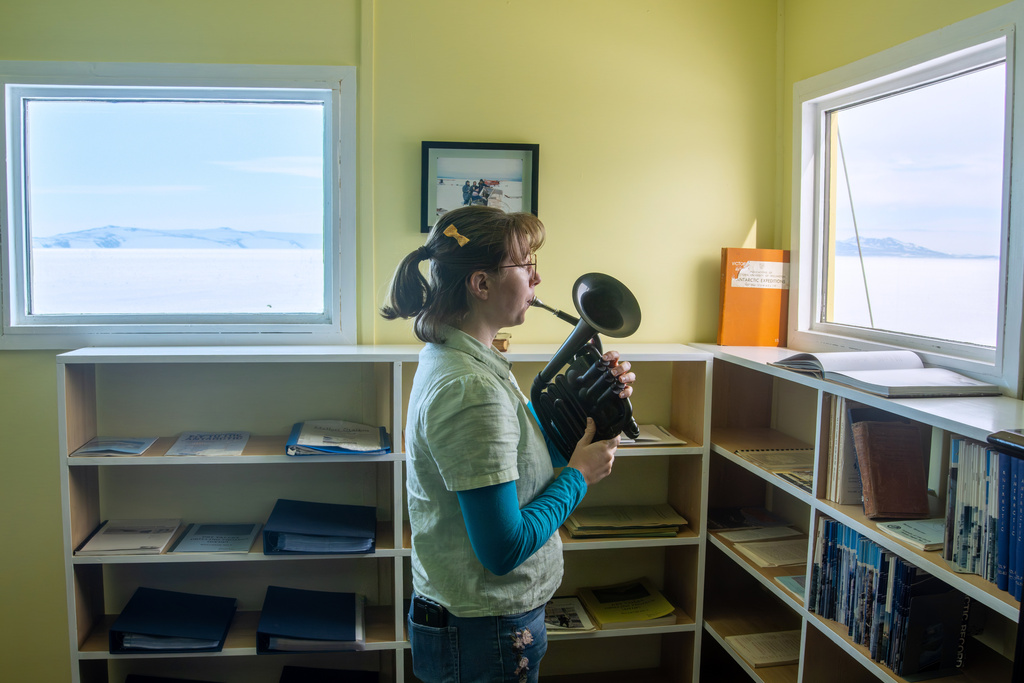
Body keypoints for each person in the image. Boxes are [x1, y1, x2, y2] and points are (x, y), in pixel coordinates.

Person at [380, 205, 635, 683]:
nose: (537, 278)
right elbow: (503, 548)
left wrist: (592, 398)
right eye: (525, 264)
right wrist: (578, 477)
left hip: (478, 623)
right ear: (481, 284)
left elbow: (524, 460)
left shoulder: (461, 359)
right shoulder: (469, 389)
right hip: (485, 629)